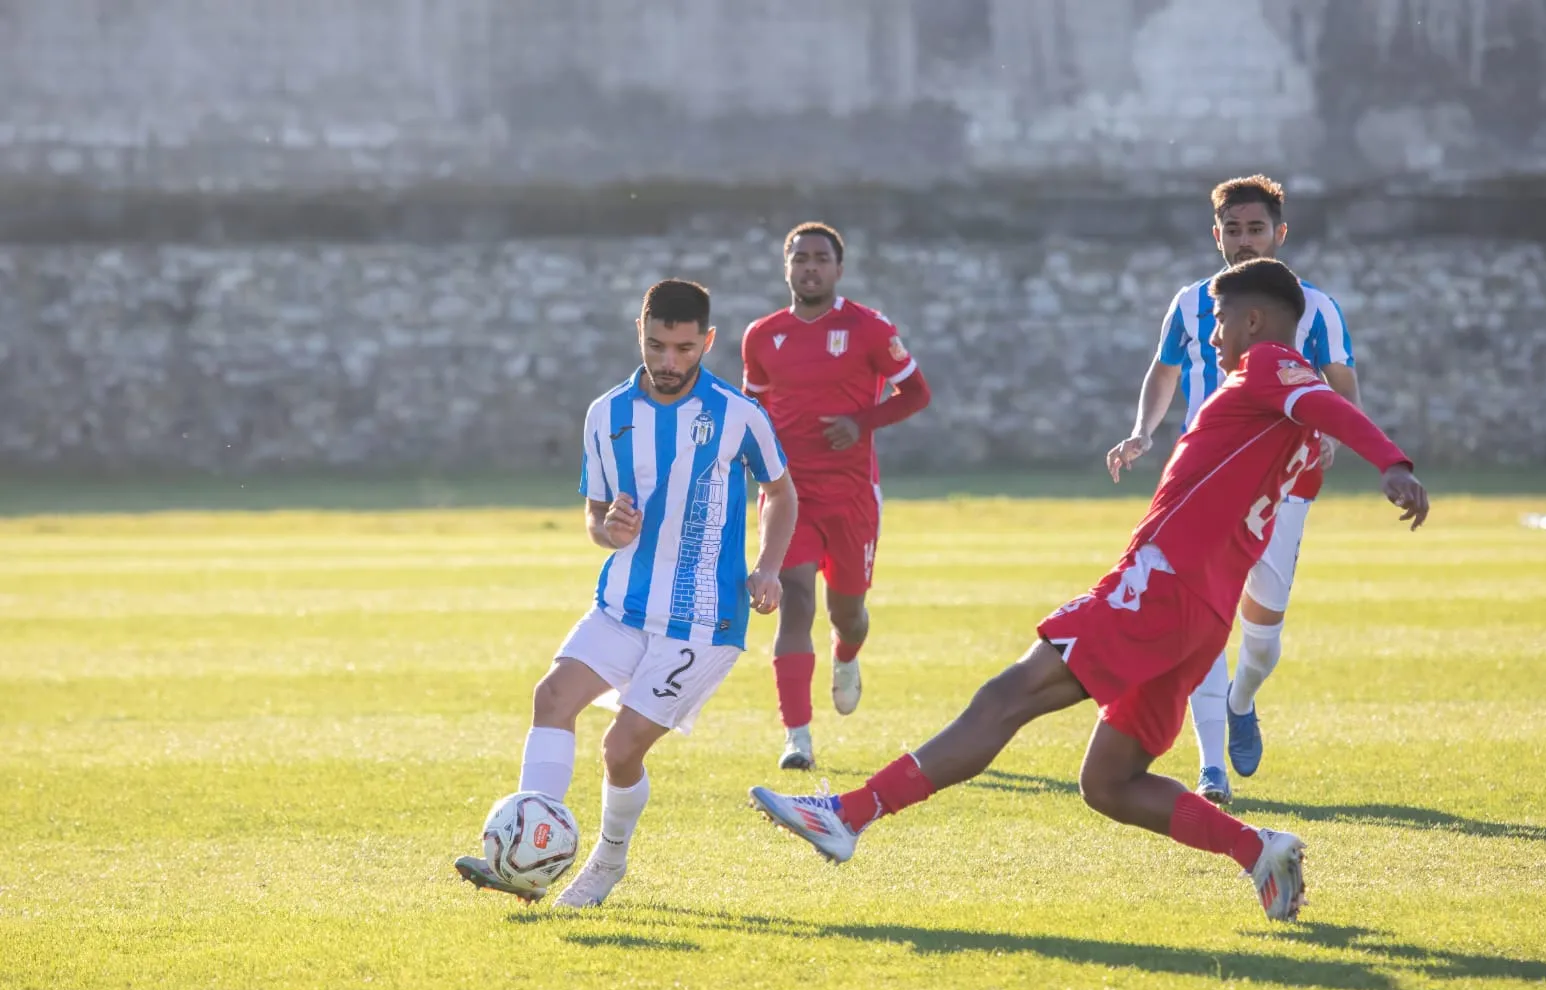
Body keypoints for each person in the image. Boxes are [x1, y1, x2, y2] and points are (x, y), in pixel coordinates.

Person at [749, 259, 1428, 922]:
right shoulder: (1286, 411)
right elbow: (1314, 422)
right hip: (1203, 611)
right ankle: (1260, 851)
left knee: (1007, 696)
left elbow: (1326, 402)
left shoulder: (1271, 368)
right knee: (1109, 782)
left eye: (1220, 322)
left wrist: (1392, 463)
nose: (1213, 336)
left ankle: (848, 814)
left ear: (1254, 321)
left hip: (1163, 586)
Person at [456, 278, 797, 907]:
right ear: (639, 333)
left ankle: (607, 864)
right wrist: (606, 529)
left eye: (685, 349)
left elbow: (780, 491)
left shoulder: (737, 414)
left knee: (619, 750)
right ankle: (530, 850)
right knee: (552, 696)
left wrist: (768, 566)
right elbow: (594, 515)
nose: (669, 362)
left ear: (708, 342)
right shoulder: (606, 414)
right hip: (622, 604)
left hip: (702, 620)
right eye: (657, 345)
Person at [1105, 174, 1364, 805]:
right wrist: (1142, 431)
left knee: (1262, 628)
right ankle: (1211, 768)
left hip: (1285, 481)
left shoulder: (1316, 306)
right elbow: (1164, 369)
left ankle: (1243, 698)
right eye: (1234, 230)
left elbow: (1341, 382)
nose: (1245, 242)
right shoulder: (1191, 303)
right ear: (1216, 234)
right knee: (1201, 618)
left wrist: (1333, 432)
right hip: (1201, 480)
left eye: (1257, 229)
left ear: (1281, 233)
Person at [741, 222, 933, 770]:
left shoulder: (869, 329)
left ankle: (846, 657)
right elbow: (752, 410)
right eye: (799, 258)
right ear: (786, 267)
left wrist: (860, 421)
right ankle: (796, 738)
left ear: (838, 269)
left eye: (820, 258)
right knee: (793, 601)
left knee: (847, 614)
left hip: (851, 498)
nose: (810, 267)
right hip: (787, 494)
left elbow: (917, 393)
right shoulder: (761, 336)